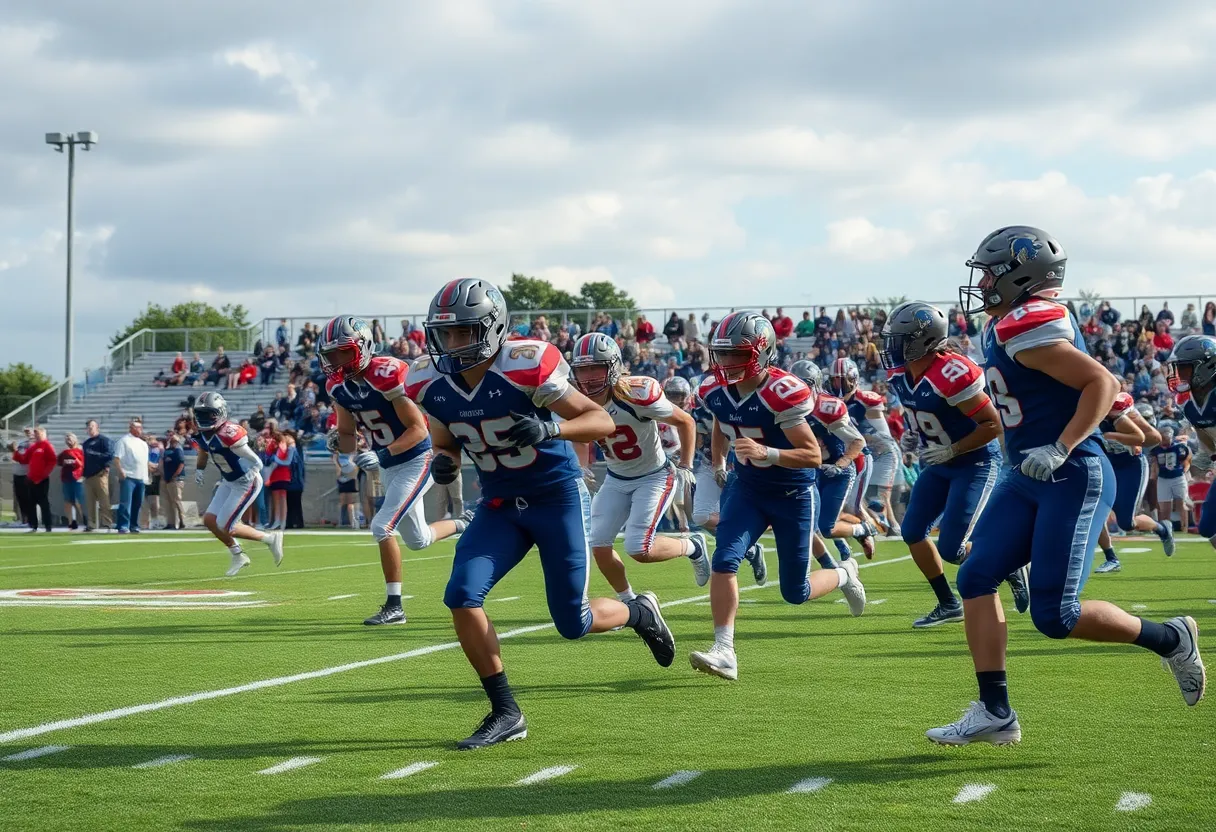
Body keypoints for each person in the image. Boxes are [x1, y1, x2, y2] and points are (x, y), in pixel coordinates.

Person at [928, 225, 1203, 746]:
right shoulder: (1005, 321)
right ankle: (995, 712)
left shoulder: (1029, 320)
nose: (982, 282)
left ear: (1021, 275)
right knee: (976, 575)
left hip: (1069, 474)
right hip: (1026, 475)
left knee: (1057, 616)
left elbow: (1104, 382)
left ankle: (1171, 638)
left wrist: (1062, 444)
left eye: (990, 272)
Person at [408, 277, 675, 749]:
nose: (452, 344)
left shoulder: (523, 365)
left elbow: (601, 420)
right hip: (498, 505)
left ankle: (639, 612)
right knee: (461, 595)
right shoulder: (429, 381)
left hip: (556, 497)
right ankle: (505, 711)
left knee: (573, 623)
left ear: (491, 329)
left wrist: (551, 427)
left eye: (463, 333)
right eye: (446, 334)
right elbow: (444, 436)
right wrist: (445, 461)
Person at [688, 312, 867, 682]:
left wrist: (766, 453)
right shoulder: (715, 390)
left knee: (795, 591)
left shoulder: (782, 391)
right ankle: (724, 650)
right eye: (722, 354)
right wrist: (720, 461)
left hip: (792, 493)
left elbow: (813, 456)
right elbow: (723, 424)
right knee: (725, 559)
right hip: (748, 488)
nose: (726, 363)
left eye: (737, 354)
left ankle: (844, 573)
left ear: (762, 351)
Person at [317, 315, 470, 625]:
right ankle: (465, 521)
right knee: (417, 539)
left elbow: (419, 430)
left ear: (363, 347)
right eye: (331, 354)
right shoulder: (337, 385)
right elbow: (348, 436)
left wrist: (382, 454)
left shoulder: (387, 373)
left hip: (419, 457)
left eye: (343, 352)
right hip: (390, 462)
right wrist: (340, 442)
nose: (336, 360)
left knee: (381, 526)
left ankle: (394, 606)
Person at [880, 302, 1022, 629]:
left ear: (923, 341)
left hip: (974, 462)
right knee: (912, 531)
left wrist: (952, 449)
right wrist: (914, 437)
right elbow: (920, 411)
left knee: (951, 547)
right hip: (939, 463)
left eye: (899, 339)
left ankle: (1010, 564)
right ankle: (947, 603)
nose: (892, 347)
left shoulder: (951, 372)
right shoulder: (900, 373)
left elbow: (993, 424)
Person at [568, 333, 708, 602]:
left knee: (638, 549)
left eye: (596, 367)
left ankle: (693, 546)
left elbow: (686, 422)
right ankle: (630, 602)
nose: (589, 377)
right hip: (616, 477)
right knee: (598, 544)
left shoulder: (637, 393)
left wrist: (686, 464)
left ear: (612, 367)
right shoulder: (575, 399)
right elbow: (578, 433)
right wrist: (582, 466)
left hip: (653, 476)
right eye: (583, 369)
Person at [787, 360, 872, 567]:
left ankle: (861, 530)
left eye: (803, 385)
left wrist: (840, 465)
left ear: (814, 385)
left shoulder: (827, 406)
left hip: (837, 471)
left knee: (826, 526)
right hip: (811, 471)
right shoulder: (784, 407)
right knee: (811, 523)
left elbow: (858, 441)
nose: (798, 390)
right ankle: (841, 556)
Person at [192, 392, 284, 575]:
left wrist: (255, 467)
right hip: (228, 480)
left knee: (226, 525)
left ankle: (270, 538)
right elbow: (203, 451)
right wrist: (200, 469)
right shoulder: (204, 435)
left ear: (220, 413)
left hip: (246, 481)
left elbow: (252, 457)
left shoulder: (228, 432)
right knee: (210, 520)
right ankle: (238, 554)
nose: (203, 418)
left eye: (208, 414)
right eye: (201, 414)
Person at [1091, 390, 1174, 573]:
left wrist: (1112, 437)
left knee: (1126, 523)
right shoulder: (1087, 410)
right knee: (1094, 512)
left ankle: (1161, 529)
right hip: (1109, 465)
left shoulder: (1118, 418)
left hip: (1131, 466)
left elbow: (1149, 438)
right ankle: (1111, 558)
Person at [828, 358, 893, 543]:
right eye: (835, 380)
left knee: (871, 503)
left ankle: (875, 528)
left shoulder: (864, 401)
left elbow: (883, 437)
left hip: (879, 455)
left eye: (843, 380)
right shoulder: (831, 402)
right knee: (854, 505)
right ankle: (884, 528)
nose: (839, 384)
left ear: (854, 379)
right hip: (857, 457)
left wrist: (856, 437)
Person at [1167, 335, 1216, 547]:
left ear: (1207, 366)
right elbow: (1208, 449)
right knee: (1207, 528)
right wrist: (1189, 478)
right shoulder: (1189, 404)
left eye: (1184, 367)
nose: (1178, 374)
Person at [1150, 427, 1191, 535]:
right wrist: (1153, 475)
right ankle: (1166, 529)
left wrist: (1184, 471)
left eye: (1167, 438)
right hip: (1163, 479)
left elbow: (1186, 460)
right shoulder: (1155, 449)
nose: (1165, 441)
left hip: (1178, 477)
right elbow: (1154, 463)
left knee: (1181, 504)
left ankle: (1185, 529)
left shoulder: (1180, 447)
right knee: (1164, 507)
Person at [113, 420, 150, 534]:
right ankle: (123, 525)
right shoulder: (124, 441)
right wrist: (120, 471)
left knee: (137, 503)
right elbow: (117, 458)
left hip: (141, 477)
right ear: (131, 428)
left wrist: (147, 474)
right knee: (126, 503)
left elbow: (144, 461)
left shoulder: (143, 443)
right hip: (129, 475)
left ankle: (134, 525)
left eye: (141, 428)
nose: (140, 430)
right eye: (138, 428)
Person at [18, 428, 56, 532]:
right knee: (31, 503)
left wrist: (43, 475)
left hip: (42, 480)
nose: (37, 436)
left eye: (39, 434)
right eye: (36, 434)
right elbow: (24, 459)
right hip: (32, 479)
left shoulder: (47, 446)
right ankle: (33, 526)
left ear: (44, 434)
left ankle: (48, 526)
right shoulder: (34, 447)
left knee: (44, 503)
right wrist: (15, 452)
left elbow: (52, 461)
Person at [80, 420, 114, 531]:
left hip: (100, 474)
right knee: (90, 502)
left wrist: (96, 456)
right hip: (88, 475)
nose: (90, 429)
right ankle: (91, 524)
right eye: (88, 427)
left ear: (97, 427)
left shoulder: (104, 440)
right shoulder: (86, 443)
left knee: (104, 500)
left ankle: (107, 523)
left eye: (92, 427)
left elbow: (109, 455)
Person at [59, 432, 86, 529]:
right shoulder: (65, 452)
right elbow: (59, 461)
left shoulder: (81, 451)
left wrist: (75, 460)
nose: (68, 440)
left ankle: (84, 519)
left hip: (77, 478)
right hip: (66, 478)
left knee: (78, 500)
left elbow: (83, 464)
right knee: (68, 501)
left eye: (70, 438)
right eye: (66, 439)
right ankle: (71, 522)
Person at [8, 427, 33, 526]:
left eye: (29, 430)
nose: (27, 433)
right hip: (18, 472)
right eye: (26, 431)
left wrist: (15, 451)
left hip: (27, 473)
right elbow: (16, 457)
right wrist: (13, 450)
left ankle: (31, 520)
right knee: (20, 498)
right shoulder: (21, 442)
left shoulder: (34, 444)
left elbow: (24, 459)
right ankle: (24, 519)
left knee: (28, 498)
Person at [162, 433, 187, 529]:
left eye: (174, 441)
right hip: (168, 479)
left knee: (177, 501)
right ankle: (171, 523)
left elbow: (181, 463)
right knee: (169, 502)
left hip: (176, 480)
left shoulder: (178, 450)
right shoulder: (167, 451)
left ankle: (182, 521)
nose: (173, 442)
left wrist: (175, 475)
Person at [143, 436, 163, 529]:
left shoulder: (157, 450)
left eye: (151, 439)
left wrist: (151, 466)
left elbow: (157, 463)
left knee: (154, 501)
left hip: (155, 477)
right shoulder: (146, 450)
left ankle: (155, 520)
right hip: (146, 475)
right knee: (145, 501)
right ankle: (145, 522)